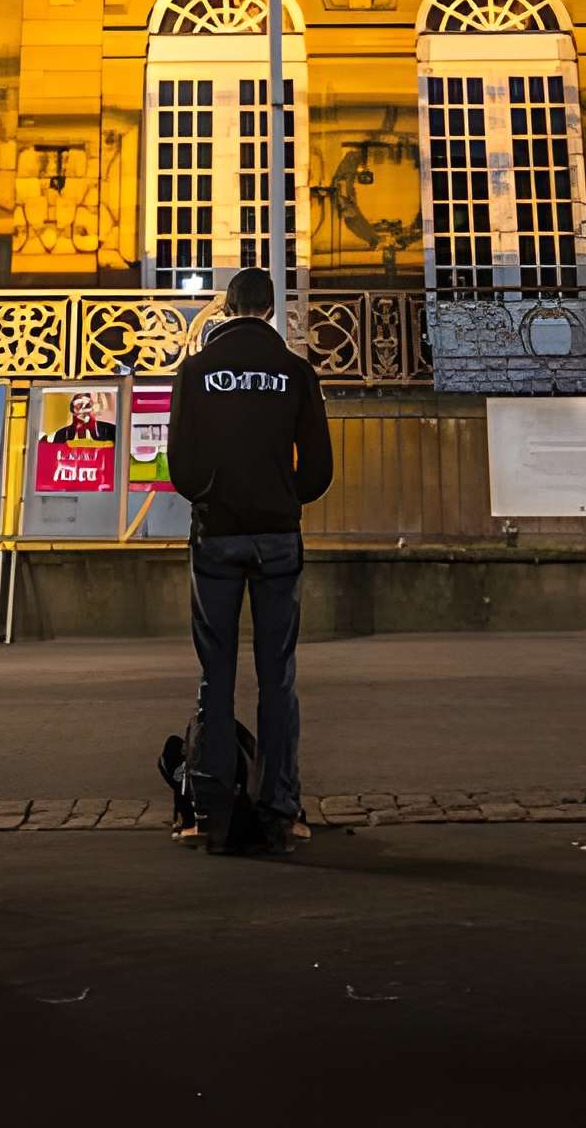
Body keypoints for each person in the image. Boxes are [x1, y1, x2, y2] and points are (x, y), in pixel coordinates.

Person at [166, 266, 332, 854]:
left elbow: (180, 468)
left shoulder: (196, 370)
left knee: (217, 676)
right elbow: (318, 470)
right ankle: (280, 810)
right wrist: (284, 494)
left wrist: (214, 491)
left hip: (216, 534)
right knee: (277, 678)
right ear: (269, 312)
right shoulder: (295, 372)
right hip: (277, 536)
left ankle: (210, 813)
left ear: (227, 308)